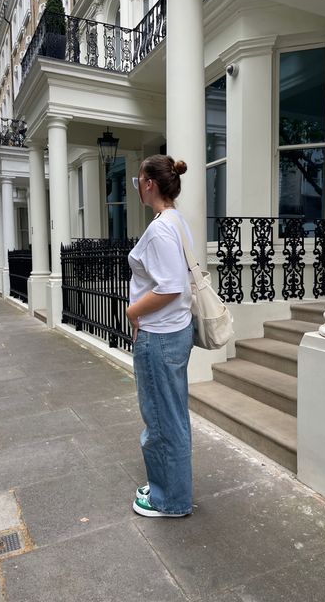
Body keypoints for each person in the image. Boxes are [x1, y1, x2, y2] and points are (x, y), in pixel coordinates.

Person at [127, 154, 194, 518]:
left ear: (150, 183)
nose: (136, 185)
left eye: (138, 180)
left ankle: (170, 500)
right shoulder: (174, 221)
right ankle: (166, 484)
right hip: (173, 332)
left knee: (162, 420)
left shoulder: (161, 228)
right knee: (171, 416)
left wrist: (132, 310)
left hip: (160, 337)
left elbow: (171, 286)